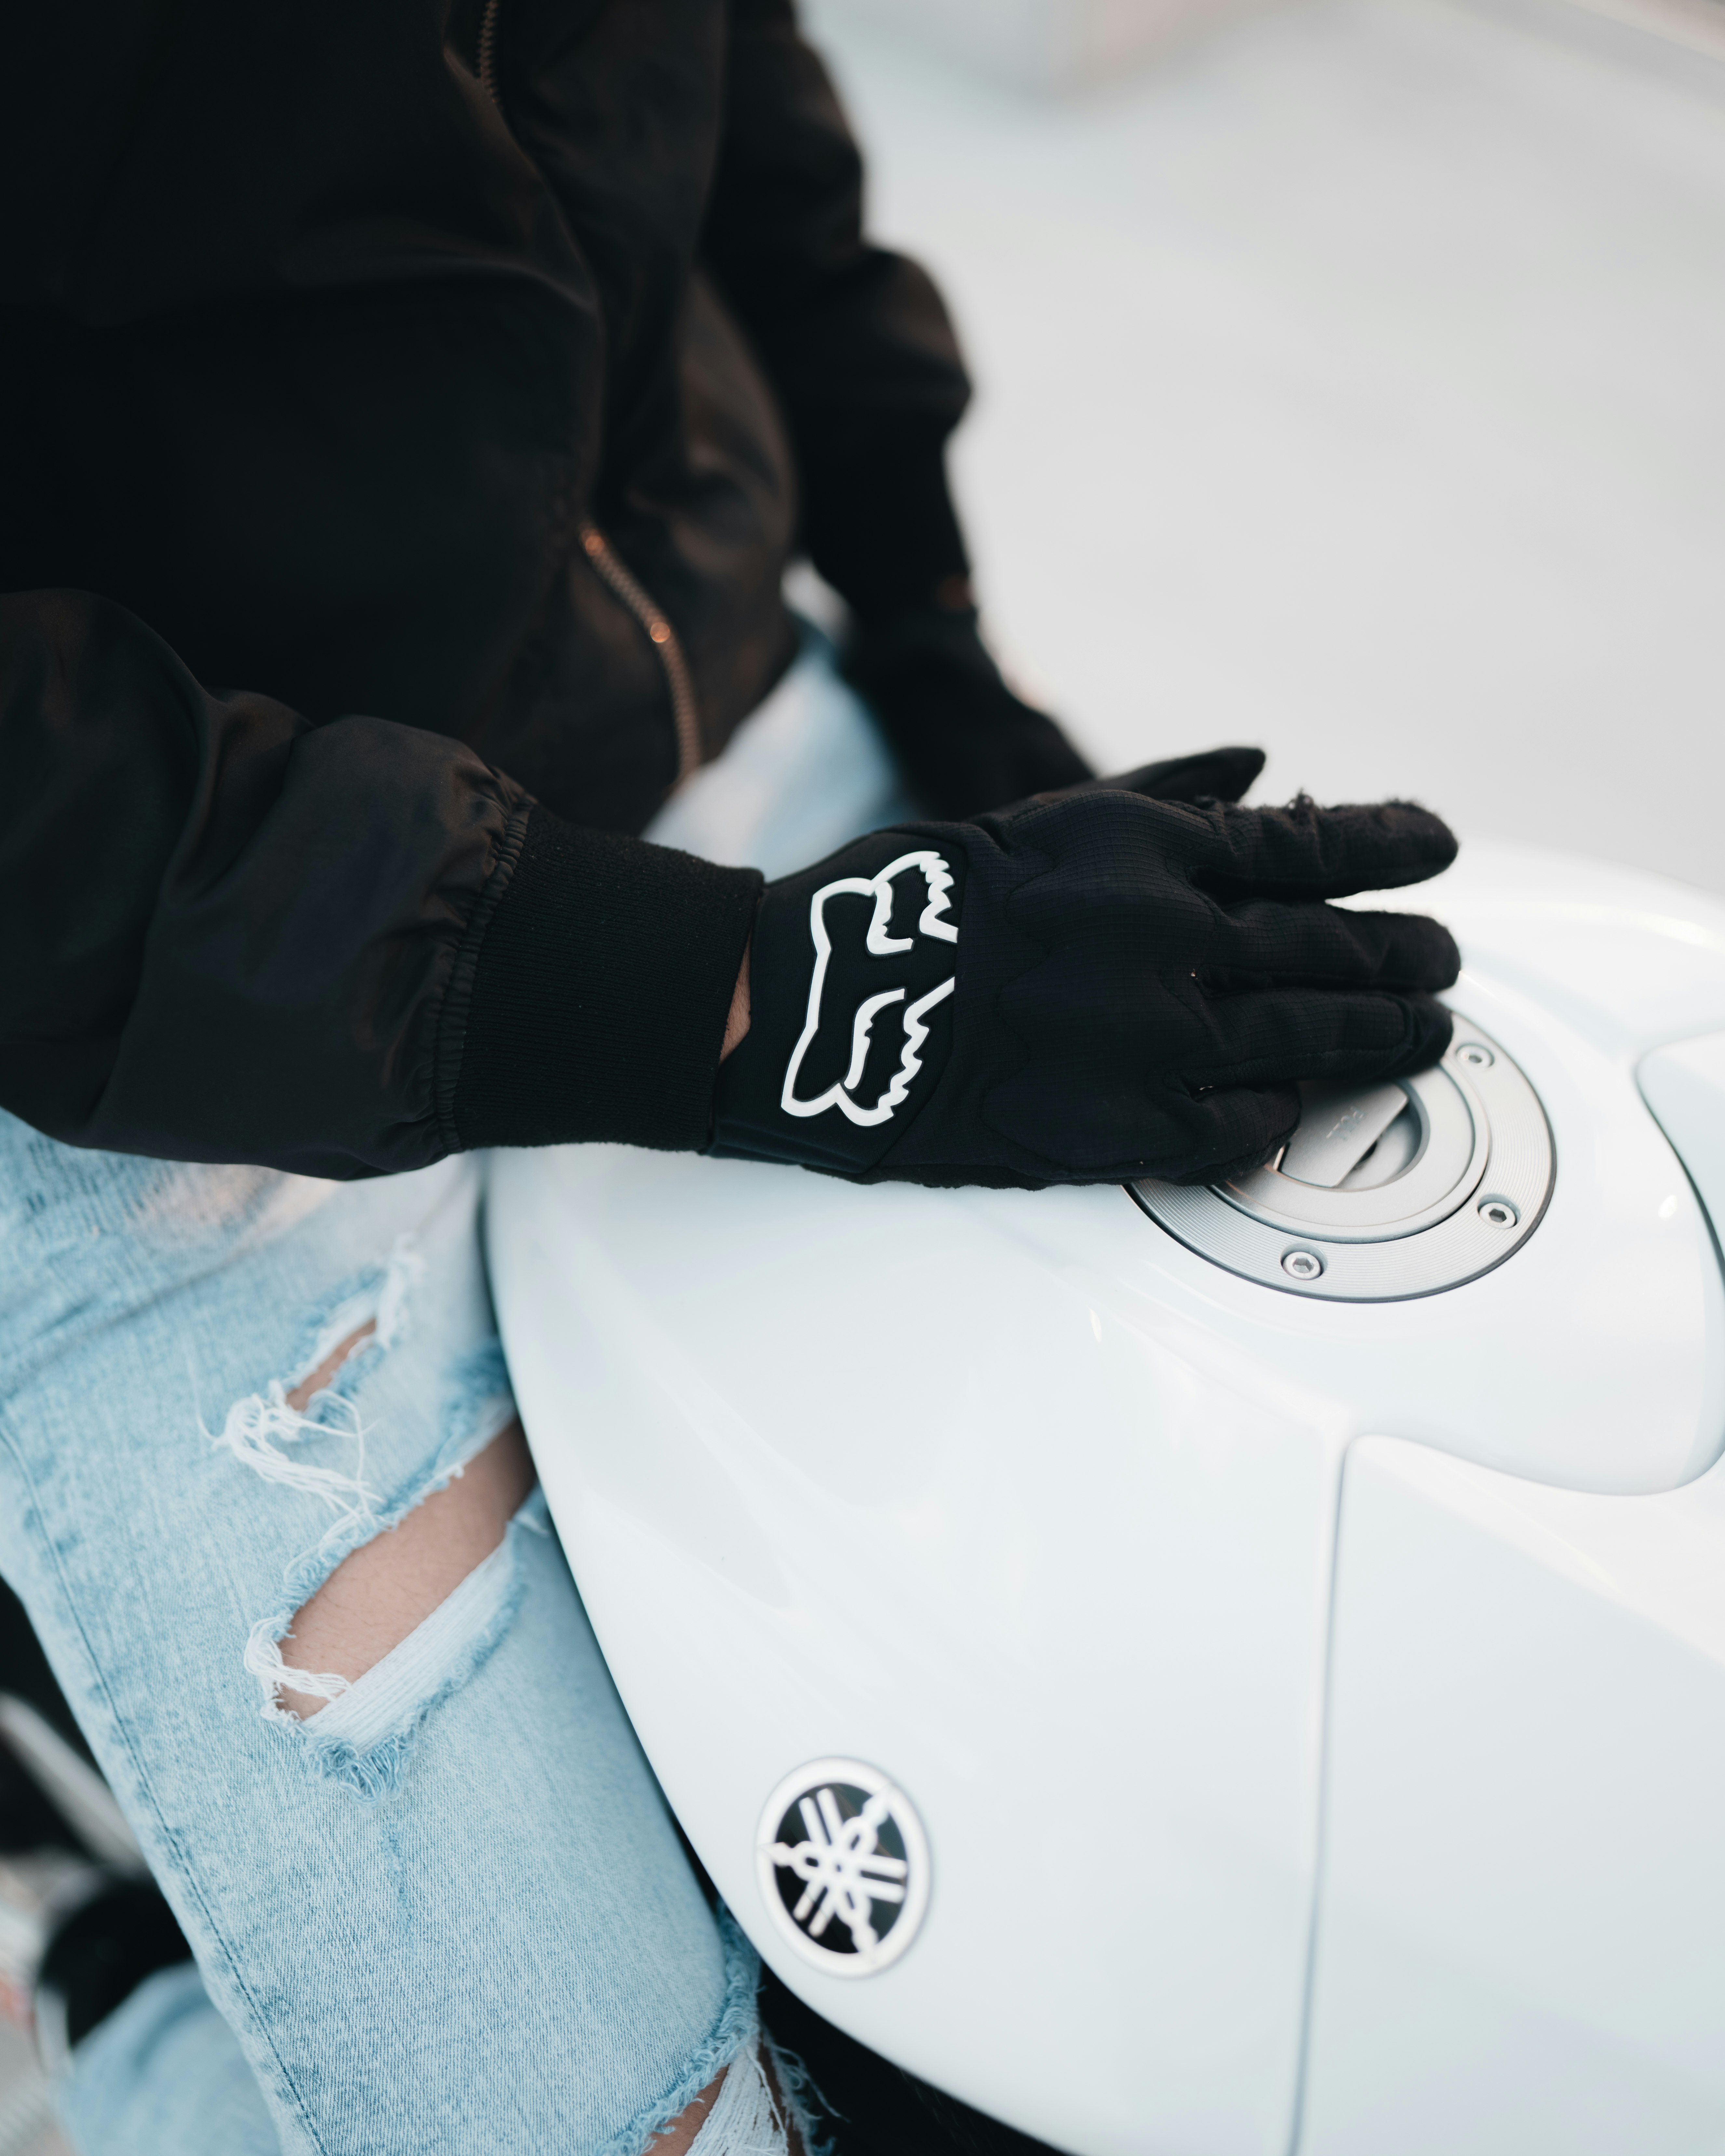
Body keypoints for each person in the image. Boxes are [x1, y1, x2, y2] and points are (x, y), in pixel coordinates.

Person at [0, 1, 1462, 2150]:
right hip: (155, 1018)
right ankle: (111, 1980)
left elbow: (733, 99)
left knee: (1225, 1783)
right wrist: (773, 1005)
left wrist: (934, 631)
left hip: (719, 719)